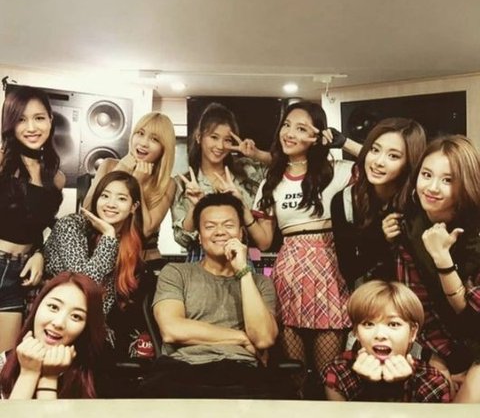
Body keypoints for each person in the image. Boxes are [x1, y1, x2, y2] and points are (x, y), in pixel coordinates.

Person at [241, 100, 361, 387]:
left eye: (301, 128)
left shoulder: (337, 170)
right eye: (287, 125)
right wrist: (243, 210)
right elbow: (265, 241)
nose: (289, 133)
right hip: (289, 274)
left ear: (317, 136)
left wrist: (344, 142)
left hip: (329, 271)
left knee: (329, 374)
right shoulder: (271, 181)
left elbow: (380, 164)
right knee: (293, 374)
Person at [140, 193, 282, 398]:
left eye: (228, 225)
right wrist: (241, 338)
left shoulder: (260, 283)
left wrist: (243, 271)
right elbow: (172, 329)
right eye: (210, 226)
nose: (220, 232)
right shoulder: (176, 273)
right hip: (182, 368)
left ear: (241, 233)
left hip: (241, 370)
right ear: (199, 236)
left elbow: (263, 339)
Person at [382, 135, 480, 393]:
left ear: (466, 184)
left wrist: (442, 259)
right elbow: (418, 305)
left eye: (448, 180)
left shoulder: (476, 232)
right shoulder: (410, 228)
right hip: (442, 345)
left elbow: (473, 317)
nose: (432, 187)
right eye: (426, 174)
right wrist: (442, 358)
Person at [44, 170, 145, 358]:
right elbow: (84, 285)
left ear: (134, 207)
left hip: (88, 330)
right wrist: (108, 237)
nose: (111, 204)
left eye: (121, 199)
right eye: (105, 196)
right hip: (54, 319)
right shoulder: (71, 225)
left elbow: (106, 304)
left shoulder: (129, 244)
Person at [0, 85, 65, 352]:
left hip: (20, 274)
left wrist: (40, 253)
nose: (31, 127)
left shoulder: (56, 178)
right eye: (21, 119)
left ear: (50, 119)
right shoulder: (1, 163)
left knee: (5, 362)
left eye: (39, 118)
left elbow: (40, 228)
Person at [331, 118, 426, 290]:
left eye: (393, 156)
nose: (378, 162)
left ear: (409, 163)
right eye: (375, 150)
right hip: (373, 296)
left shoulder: (418, 201)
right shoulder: (345, 201)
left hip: (415, 296)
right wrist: (382, 239)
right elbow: (349, 270)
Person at [320, 280, 451, 402]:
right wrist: (369, 388)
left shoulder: (432, 381)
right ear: (356, 332)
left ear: (412, 332)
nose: (380, 335)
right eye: (368, 324)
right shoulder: (339, 372)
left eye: (393, 324)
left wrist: (396, 389)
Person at [171, 102, 271, 259]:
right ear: (199, 137)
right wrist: (196, 207)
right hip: (199, 261)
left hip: (240, 258)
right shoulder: (183, 183)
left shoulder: (247, 171)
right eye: (214, 137)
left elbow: (286, 165)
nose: (220, 146)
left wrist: (256, 154)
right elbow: (181, 239)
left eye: (227, 140)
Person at [0, 271, 105, 399]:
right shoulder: (2, 363)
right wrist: (28, 374)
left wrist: (49, 378)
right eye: (53, 307)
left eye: (76, 316)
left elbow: (49, 415)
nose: (59, 323)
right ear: (37, 306)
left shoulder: (96, 376)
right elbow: (14, 414)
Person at [83, 111, 176, 244]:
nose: (143, 143)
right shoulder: (109, 165)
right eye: (140, 133)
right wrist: (122, 169)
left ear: (164, 148)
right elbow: (87, 214)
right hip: (103, 250)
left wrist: (137, 184)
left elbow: (146, 231)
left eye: (154, 139)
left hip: (144, 254)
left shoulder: (167, 183)